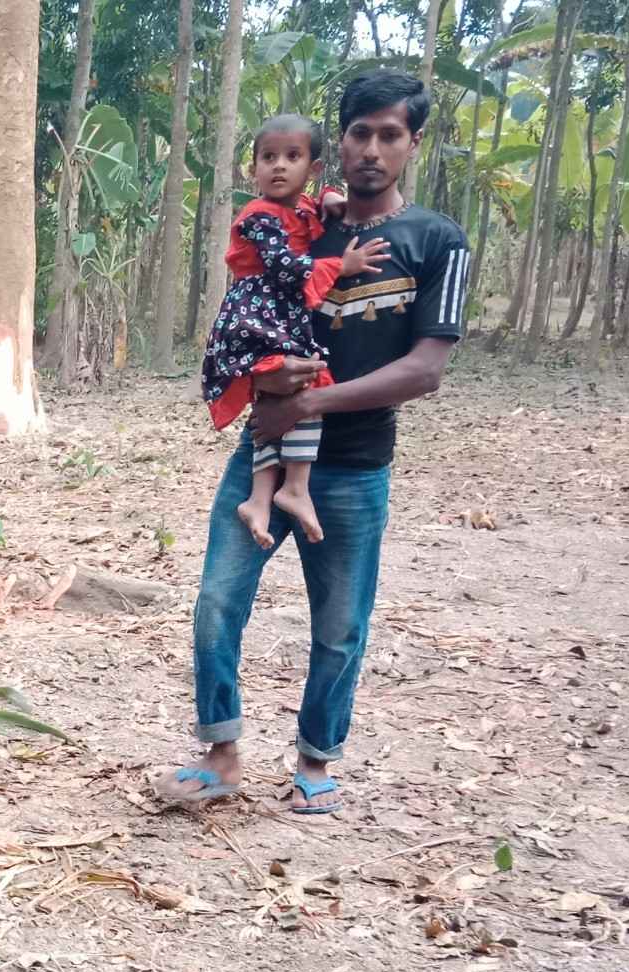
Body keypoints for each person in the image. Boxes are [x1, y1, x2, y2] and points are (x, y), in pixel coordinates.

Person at [158, 72, 471, 814]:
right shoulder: (300, 226)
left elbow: (425, 370)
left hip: (356, 466)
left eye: (389, 135)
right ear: (336, 151)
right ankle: (222, 753)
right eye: (359, 133)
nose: (372, 149)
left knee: (338, 627)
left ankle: (316, 759)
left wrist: (305, 401)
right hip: (263, 451)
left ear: (411, 144)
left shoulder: (436, 241)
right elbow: (249, 315)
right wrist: (266, 389)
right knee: (215, 604)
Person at [199, 114, 390, 549]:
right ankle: (295, 487)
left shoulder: (301, 208)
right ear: (253, 169)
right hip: (258, 314)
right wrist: (340, 265)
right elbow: (285, 266)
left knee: (278, 399)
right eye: (268, 157)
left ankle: (261, 498)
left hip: (275, 313)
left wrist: (331, 200)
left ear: (314, 167)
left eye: (292, 156)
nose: (279, 166)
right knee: (302, 385)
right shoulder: (258, 216)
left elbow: (319, 215)